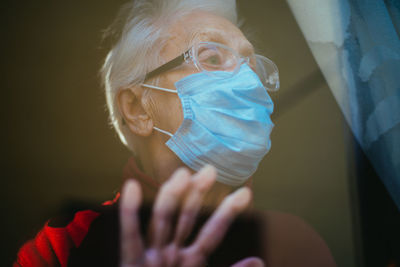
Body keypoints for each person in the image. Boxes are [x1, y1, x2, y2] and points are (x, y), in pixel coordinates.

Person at [14, 0, 337, 266]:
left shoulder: (294, 243)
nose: (249, 82)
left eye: (251, 67)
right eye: (211, 57)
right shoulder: (64, 244)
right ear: (137, 108)